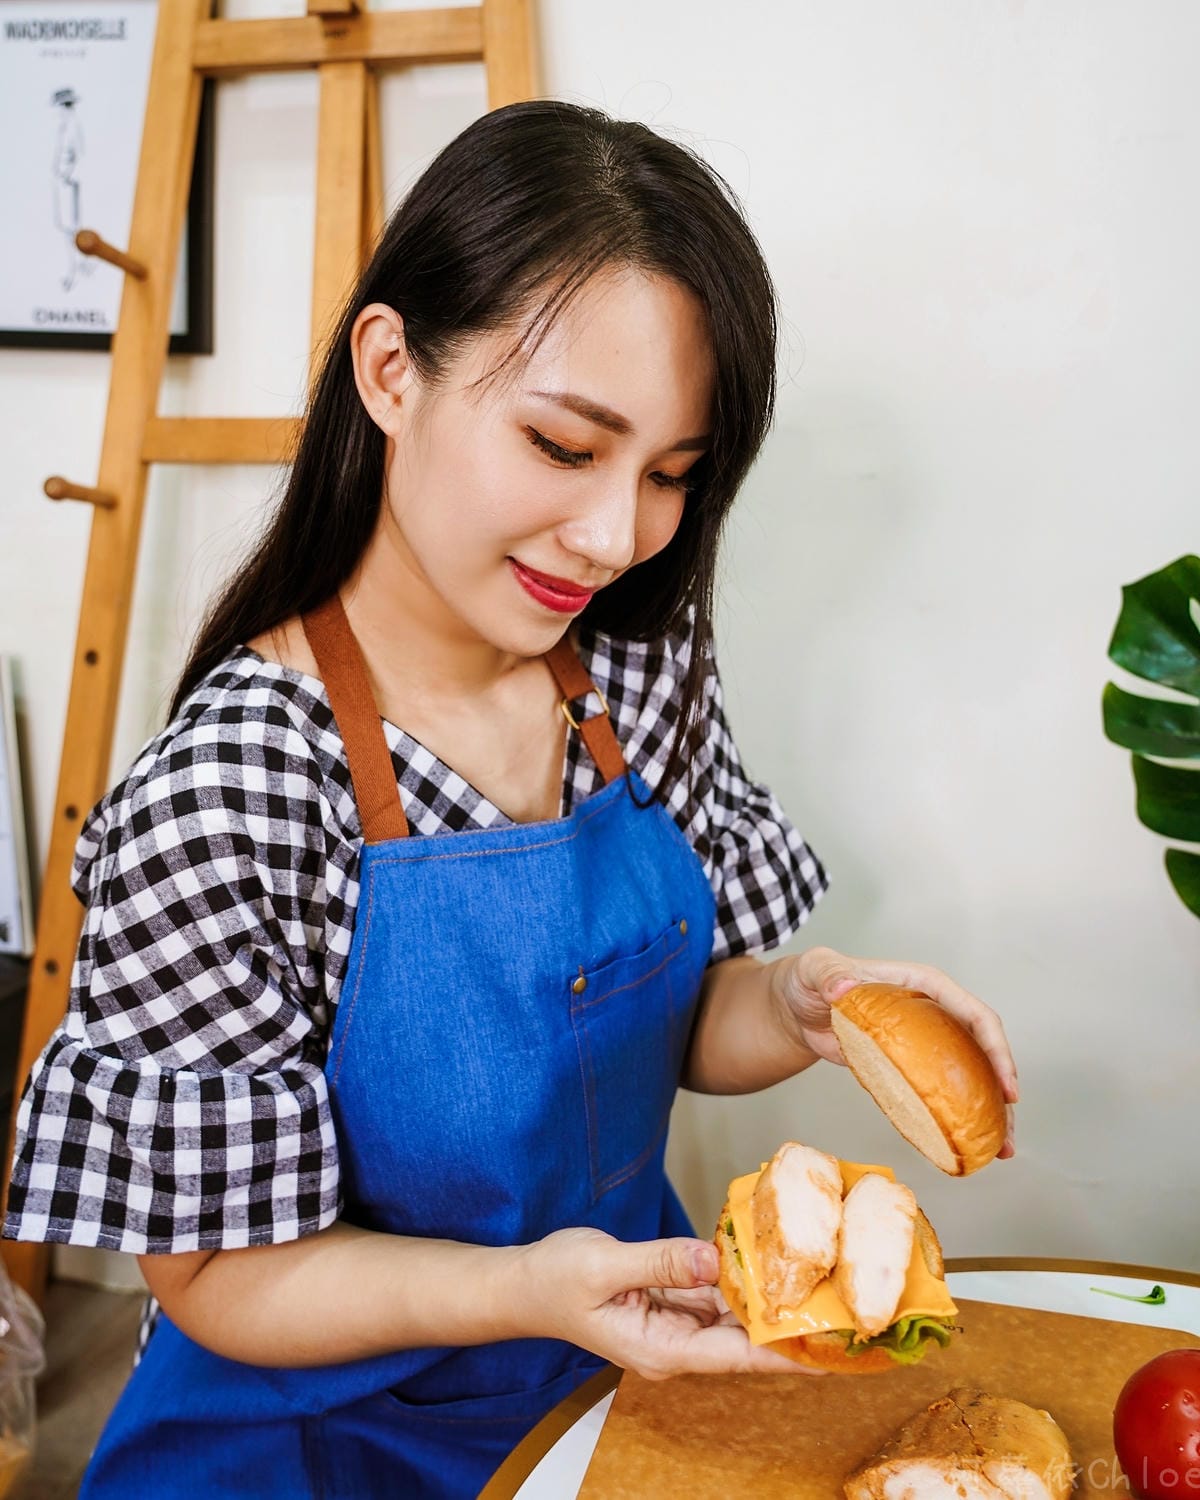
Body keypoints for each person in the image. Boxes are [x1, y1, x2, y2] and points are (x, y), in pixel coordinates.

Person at [3, 101, 1018, 1498]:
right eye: (562, 445)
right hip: (310, 1449)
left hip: (610, 1385)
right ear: (390, 371)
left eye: (671, 475)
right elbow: (223, 1279)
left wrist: (798, 1006)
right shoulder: (232, 794)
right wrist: (528, 1290)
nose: (613, 537)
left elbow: (650, 1025)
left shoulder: (633, 676)